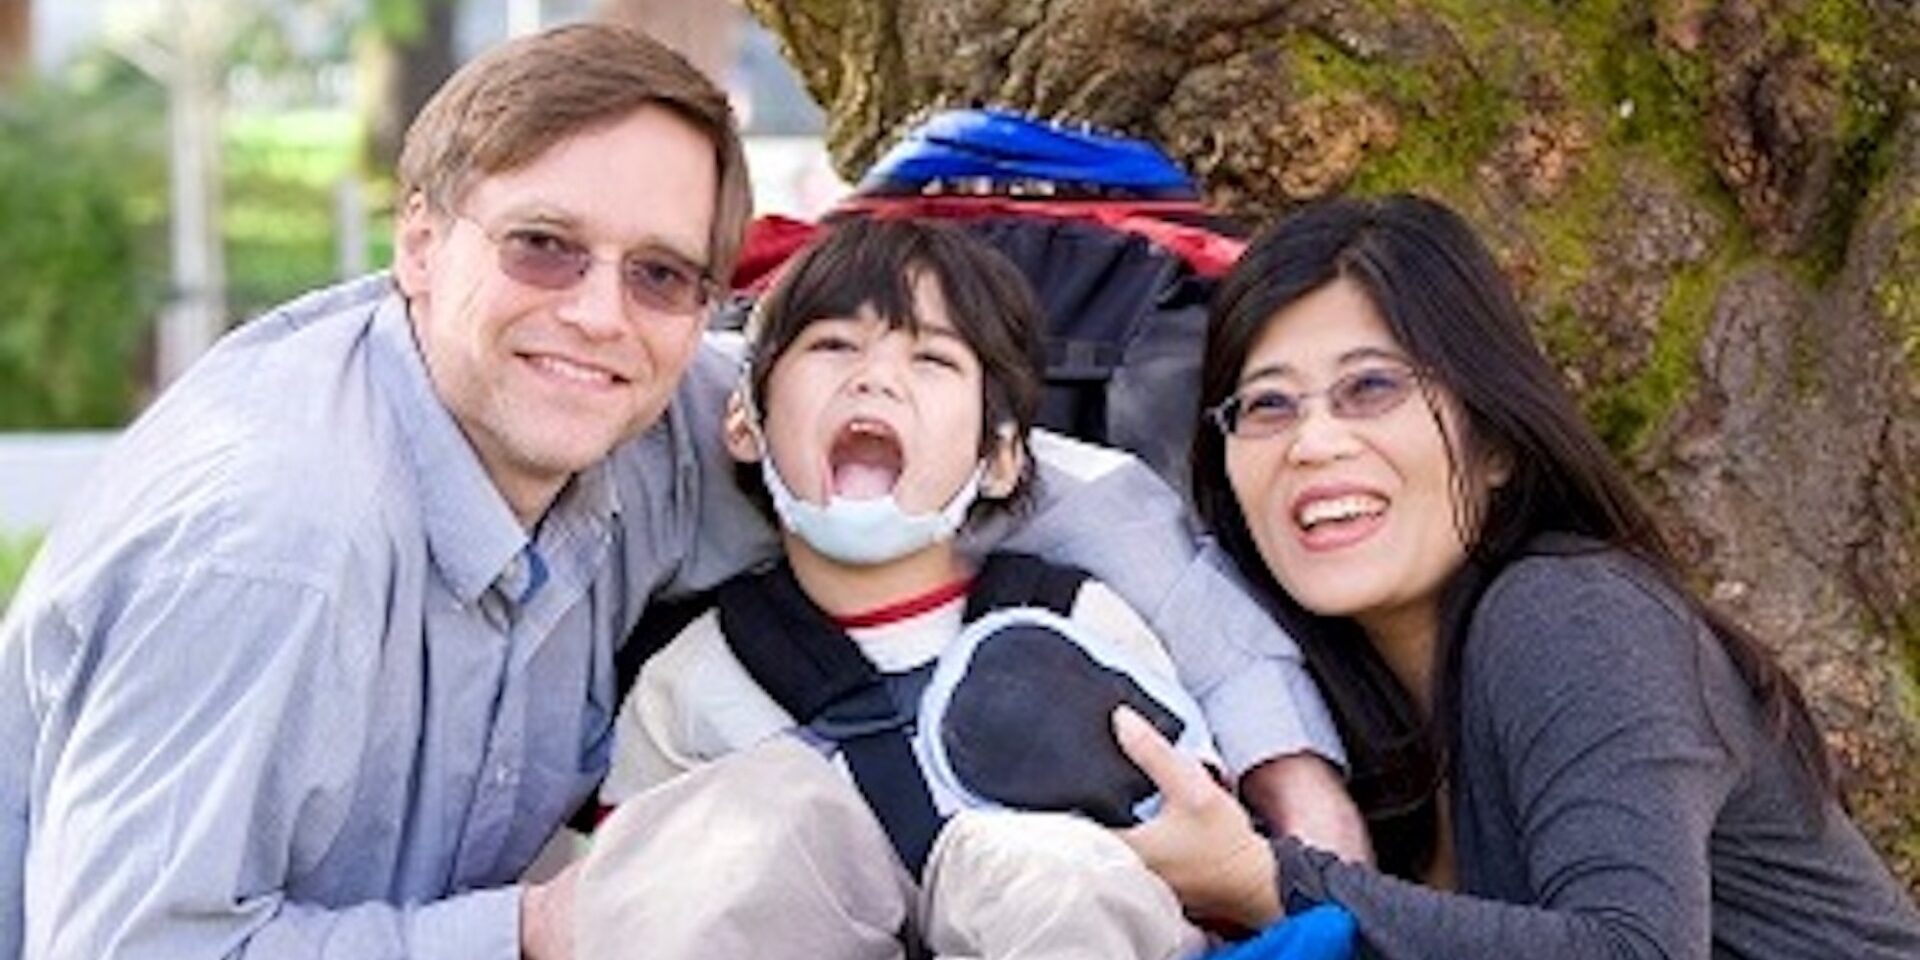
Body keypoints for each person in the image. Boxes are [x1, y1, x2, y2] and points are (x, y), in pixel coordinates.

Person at [0, 22, 1359, 960]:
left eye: (659, 274)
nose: (598, 315)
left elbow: (1060, 488)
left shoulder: (636, 420)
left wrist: (1293, 787)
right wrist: (531, 932)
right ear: (419, 242)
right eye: (542, 248)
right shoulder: (275, 546)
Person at [1110, 194, 1920, 957]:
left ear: (1494, 444)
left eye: (1371, 388)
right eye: (1268, 406)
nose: (1313, 442)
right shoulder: (1323, 717)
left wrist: (1266, 883)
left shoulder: (1575, 613)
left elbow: (1630, 950)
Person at [588, 217, 1218, 959]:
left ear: (1003, 456)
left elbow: (1193, 852)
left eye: (931, 359)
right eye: (833, 346)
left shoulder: (1074, 627)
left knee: (1049, 873)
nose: (875, 377)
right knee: (738, 847)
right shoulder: (692, 680)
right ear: (745, 422)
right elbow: (634, 914)